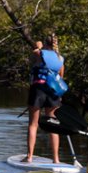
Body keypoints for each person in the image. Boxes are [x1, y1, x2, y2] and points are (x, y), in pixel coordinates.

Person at [25, 33, 65, 164]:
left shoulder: (40, 53)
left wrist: (39, 45)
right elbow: (60, 77)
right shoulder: (60, 59)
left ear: (46, 43)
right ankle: (56, 159)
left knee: (33, 124)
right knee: (53, 125)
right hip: (53, 93)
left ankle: (29, 157)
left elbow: (35, 52)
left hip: (38, 90)